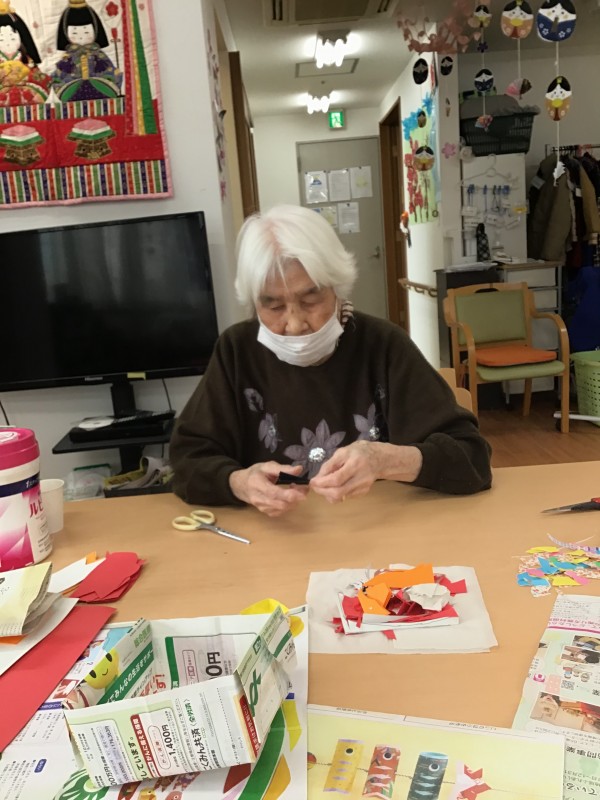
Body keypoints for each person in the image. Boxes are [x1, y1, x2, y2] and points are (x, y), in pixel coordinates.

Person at [170, 204, 492, 517]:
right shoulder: (237, 351)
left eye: (310, 300)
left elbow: (472, 458)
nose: (294, 324)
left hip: (377, 532)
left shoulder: (383, 345)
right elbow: (187, 460)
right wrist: (237, 483)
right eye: (274, 307)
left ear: (338, 289)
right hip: (275, 537)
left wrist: (386, 460)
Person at [52, 0, 122, 102]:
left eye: (86, 32)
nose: (81, 36)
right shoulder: (68, 56)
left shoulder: (98, 54)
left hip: (98, 86)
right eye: (74, 33)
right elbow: (61, 73)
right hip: (73, 88)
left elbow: (108, 68)